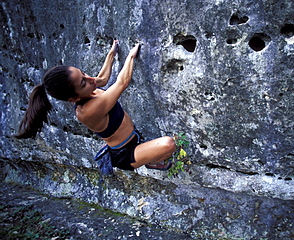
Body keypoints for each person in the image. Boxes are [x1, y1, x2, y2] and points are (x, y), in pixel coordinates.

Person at [16, 40, 176, 172]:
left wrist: (111, 54)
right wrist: (131, 56)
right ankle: (151, 161)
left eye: (83, 73)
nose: (90, 79)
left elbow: (102, 79)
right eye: (83, 82)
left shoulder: (88, 89)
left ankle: (149, 152)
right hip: (126, 153)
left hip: (133, 137)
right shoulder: (88, 111)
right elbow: (122, 82)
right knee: (168, 144)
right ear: (73, 98)